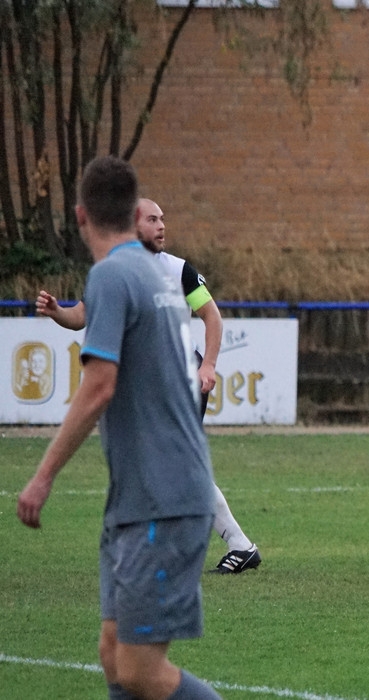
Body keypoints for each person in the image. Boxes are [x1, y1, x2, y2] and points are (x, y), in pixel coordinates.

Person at [17, 156, 223, 699]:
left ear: (80, 216)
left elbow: (99, 386)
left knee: (139, 670)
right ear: (134, 215)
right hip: (140, 498)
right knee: (114, 653)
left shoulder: (112, 274)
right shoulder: (153, 273)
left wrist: (42, 476)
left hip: (162, 498)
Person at [37, 197, 262, 575]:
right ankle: (231, 545)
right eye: (153, 219)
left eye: (163, 219)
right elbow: (81, 316)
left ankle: (215, 546)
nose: (162, 226)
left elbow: (211, 316)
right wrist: (57, 311)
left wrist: (209, 364)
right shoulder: (111, 272)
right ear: (133, 225)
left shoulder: (178, 270)